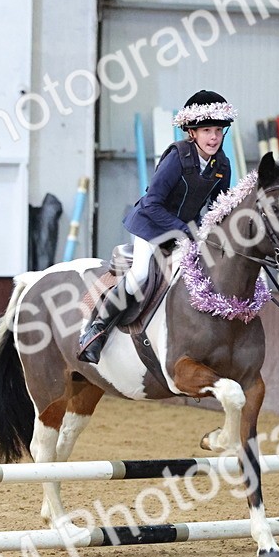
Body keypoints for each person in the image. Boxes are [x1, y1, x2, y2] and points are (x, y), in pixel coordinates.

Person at [77, 89, 237, 363]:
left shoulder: (222, 163)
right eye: (207, 130)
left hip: (188, 231)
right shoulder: (177, 157)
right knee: (139, 275)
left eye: (219, 131)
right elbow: (152, 203)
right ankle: (96, 330)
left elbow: (217, 205)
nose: (213, 137)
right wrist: (184, 230)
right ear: (192, 132)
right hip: (152, 226)